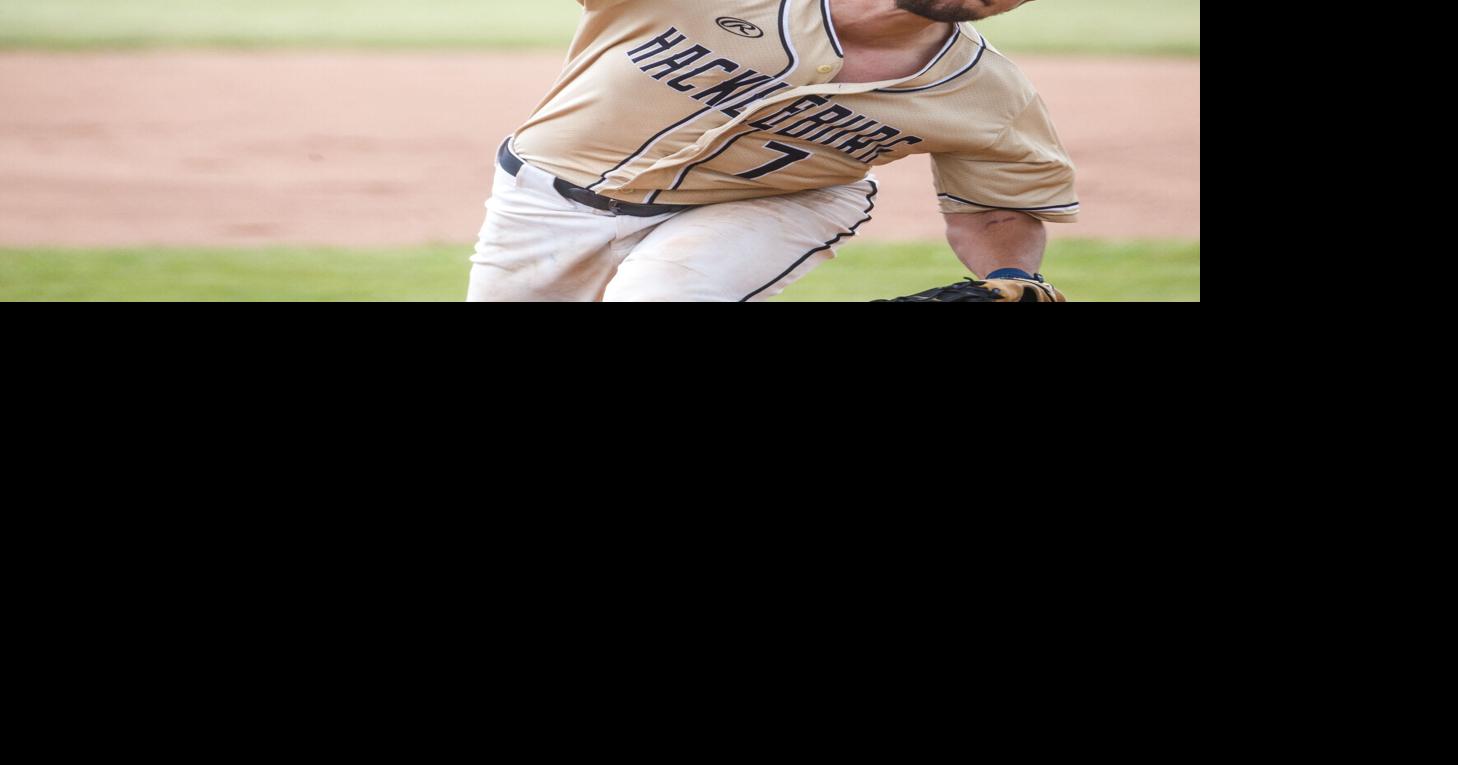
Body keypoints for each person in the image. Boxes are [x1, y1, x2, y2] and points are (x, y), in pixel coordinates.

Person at [468, 0, 1076, 302]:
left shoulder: (989, 94)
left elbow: (994, 209)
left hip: (778, 203)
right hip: (543, 200)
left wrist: (1013, 277)